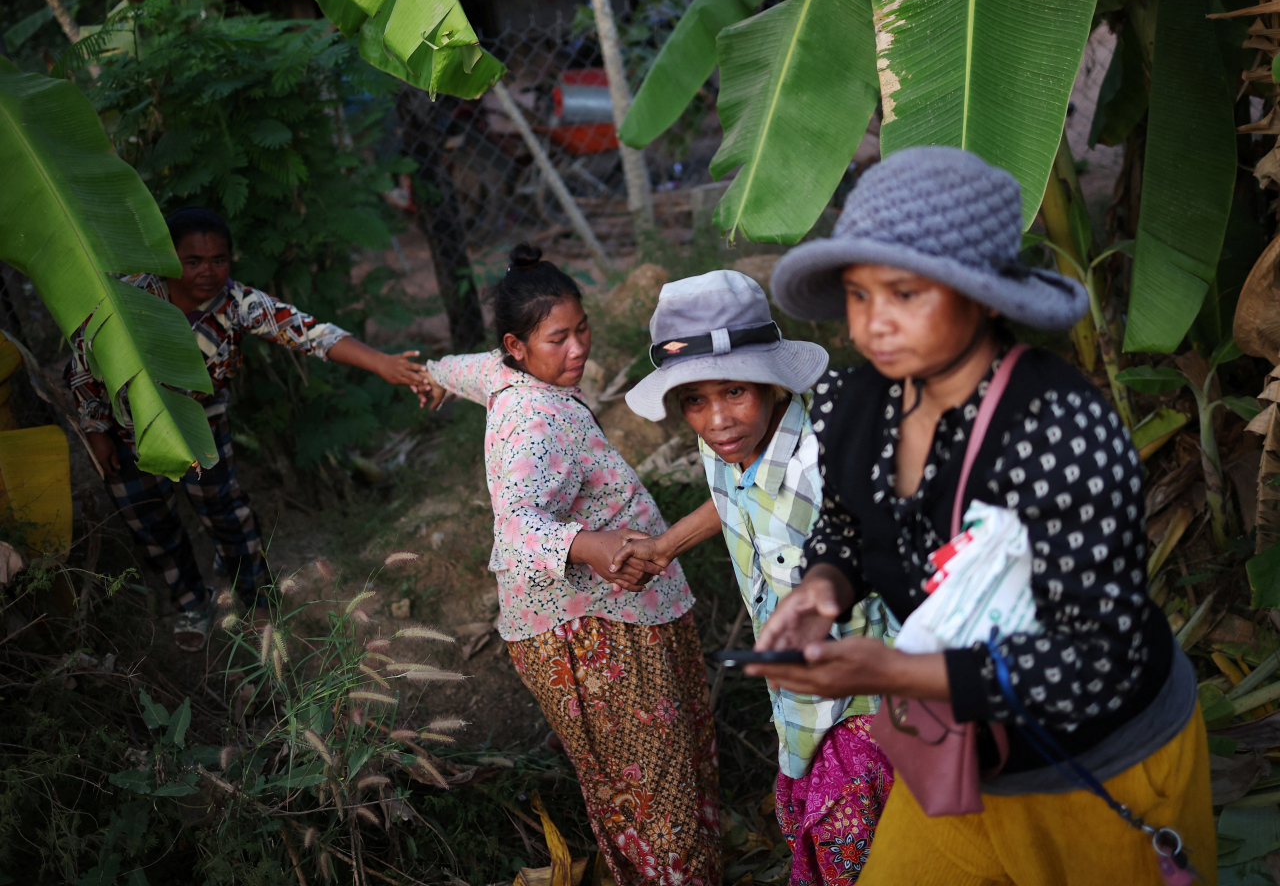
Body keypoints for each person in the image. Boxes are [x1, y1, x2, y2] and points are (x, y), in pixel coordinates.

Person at [751, 146, 1214, 885]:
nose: (874, 324)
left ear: (987, 298)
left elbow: (1100, 657)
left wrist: (899, 671)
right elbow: (845, 523)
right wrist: (822, 589)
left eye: (905, 294)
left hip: (1102, 763)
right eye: (859, 295)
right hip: (958, 758)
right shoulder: (853, 404)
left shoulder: (1057, 426)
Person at [419, 244, 720, 886]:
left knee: (636, 783)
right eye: (559, 339)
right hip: (597, 631)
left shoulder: (503, 374)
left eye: (582, 328)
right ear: (518, 345)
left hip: (590, 622)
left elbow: (465, 369)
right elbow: (515, 527)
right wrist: (591, 546)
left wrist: (432, 375)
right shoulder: (537, 419)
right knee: (656, 791)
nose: (578, 348)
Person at [611, 270, 894, 884]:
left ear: (772, 382)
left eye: (735, 391)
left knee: (861, 852)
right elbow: (734, 497)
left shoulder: (830, 461)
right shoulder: (730, 444)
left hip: (867, 702)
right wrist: (665, 546)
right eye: (694, 400)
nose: (717, 419)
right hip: (797, 703)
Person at [65, 207, 431, 649]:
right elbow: (84, 359)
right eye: (193, 261)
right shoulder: (128, 297)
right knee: (150, 522)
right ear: (167, 258)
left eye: (218, 260)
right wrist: (96, 428)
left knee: (227, 514)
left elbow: (308, 332)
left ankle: (256, 598)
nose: (207, 272)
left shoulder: (237, 303)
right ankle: (191, 602)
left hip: (201, 425)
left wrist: (381, 362)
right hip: (128, 434)